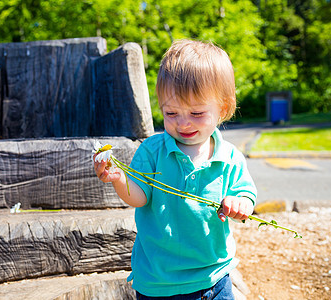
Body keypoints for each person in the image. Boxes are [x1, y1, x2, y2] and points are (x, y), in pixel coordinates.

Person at [93, 39, 257, 299]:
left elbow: (245, 195)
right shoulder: (152, 151)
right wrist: (119, 179)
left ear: (222, 108)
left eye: (196, 113)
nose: (183, 123)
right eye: (171, 113)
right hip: (160, 281)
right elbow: (139, 196)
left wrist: (240, 204)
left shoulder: (229, 157)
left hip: (213, 275)